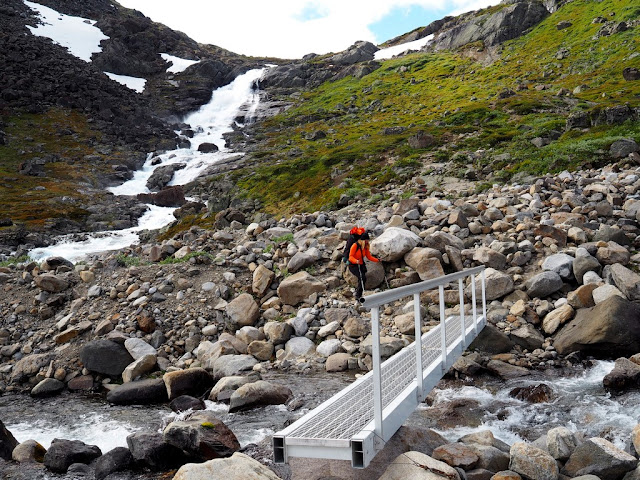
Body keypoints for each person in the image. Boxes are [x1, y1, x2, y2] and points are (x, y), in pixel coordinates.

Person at [348, 231, 379, 300]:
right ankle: (358, 295)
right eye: (366, 240)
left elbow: (369, 257)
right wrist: (356, 261)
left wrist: (377, 260)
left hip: (361, 265)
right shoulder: (355, 246)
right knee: (362, 277)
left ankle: (359, 293)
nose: (368, 241)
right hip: (353, 265)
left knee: (362, 278)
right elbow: (350, 257)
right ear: (362, 240)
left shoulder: (365, 247)